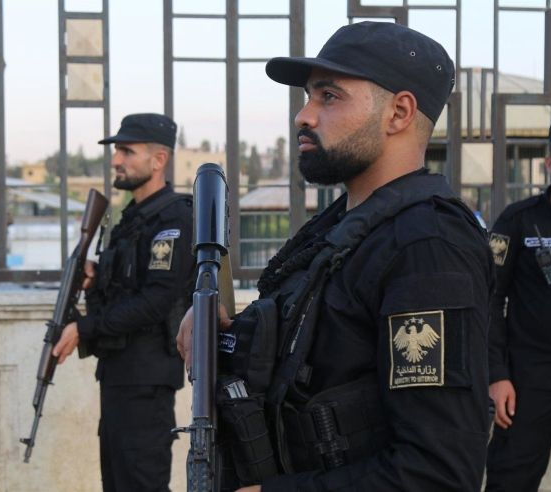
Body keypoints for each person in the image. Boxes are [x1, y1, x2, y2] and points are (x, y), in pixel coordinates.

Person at [177, 21, 493, 492]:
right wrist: (219, 330)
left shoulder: (428, 244)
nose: (303, 116)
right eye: (308, 97)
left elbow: (438, 473)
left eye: (329, 96)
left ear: (399, 113)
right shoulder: (343, 227)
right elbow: (313, 361)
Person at [53, 113, 196, 492]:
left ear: (159, 159)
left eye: (127, 151)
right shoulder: (133, 219)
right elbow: (126, 288)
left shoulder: (174, 219)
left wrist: (83, 328)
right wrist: (95, 277)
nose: (116, 160)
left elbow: (156, 300)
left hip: (146, 380)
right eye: (116, 151)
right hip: (119, 374)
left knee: (141, 484)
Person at [486, 119, 551, 492]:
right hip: (527, 380)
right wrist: (496, 375)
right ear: (549, 163)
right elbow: (489, 298)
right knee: (511, 479)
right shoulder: (518, 220)